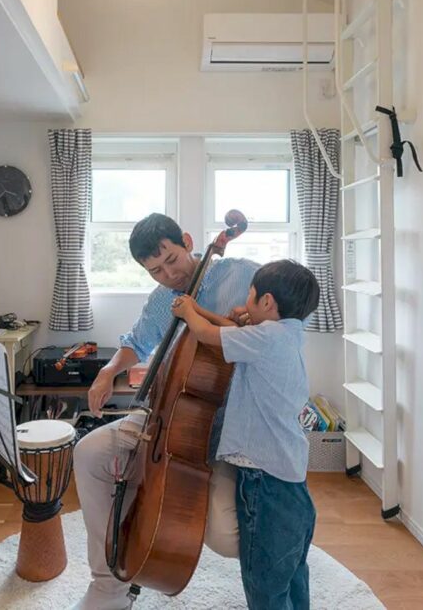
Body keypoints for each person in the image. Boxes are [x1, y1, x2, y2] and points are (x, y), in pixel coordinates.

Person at [70, 213, 258, 610]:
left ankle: (281, 552)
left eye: (171, 260)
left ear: (187, 241)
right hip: (166, 412)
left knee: (225, 538)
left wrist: (250, 322)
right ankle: (110, 584)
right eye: (154, 270)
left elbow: (288, 315)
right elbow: (137, 341)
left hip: (225, 424)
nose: (168, 275)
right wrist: (107, 372)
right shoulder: (162, 300)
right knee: (88, 452)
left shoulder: (243, 276)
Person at [171, 259, 319, 610]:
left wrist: (188, 310)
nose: (245, 304)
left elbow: (209, 336)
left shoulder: (266, 337)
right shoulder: (287, 333)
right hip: (291, 481)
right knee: (293, 570)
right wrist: (207, 311)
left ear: (267, 302)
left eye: (251, 296)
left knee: (263, 577)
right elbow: (231, 334)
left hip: (262, 480)